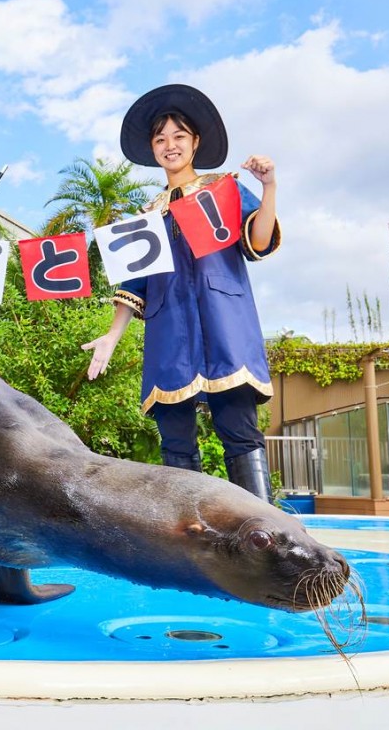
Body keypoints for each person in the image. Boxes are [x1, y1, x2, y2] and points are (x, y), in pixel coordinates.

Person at [81, 84, 280, 501]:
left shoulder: (224, 190)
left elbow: (258, 242)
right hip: (169, 332)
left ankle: (268, 543)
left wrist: (269, 190)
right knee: (175, 441)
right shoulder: (147, 214)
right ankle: (193, 545)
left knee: (239, 432)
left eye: (178, 136)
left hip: (225, 324)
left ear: (195, 143)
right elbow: (134, 284)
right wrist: (111, 336)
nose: (169, 146)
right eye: (160, 139)